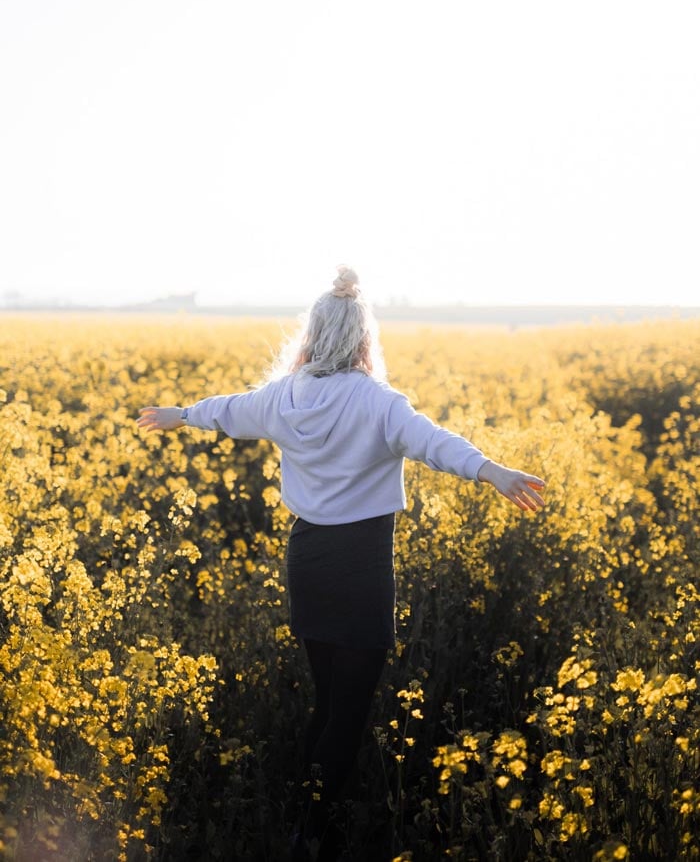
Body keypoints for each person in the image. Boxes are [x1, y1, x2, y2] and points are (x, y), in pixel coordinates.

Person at [137, 266, 545, 861]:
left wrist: (179, 412)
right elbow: (437, 444)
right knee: (348, 716)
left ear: (312, 334)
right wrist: (493, 471)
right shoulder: (378, 402)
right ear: (363, 338)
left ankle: (304, 815)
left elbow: (228, 411)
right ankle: (312, 832)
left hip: (307, 559)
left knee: (328, 705)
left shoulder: (282, 396)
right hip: (360, 564)